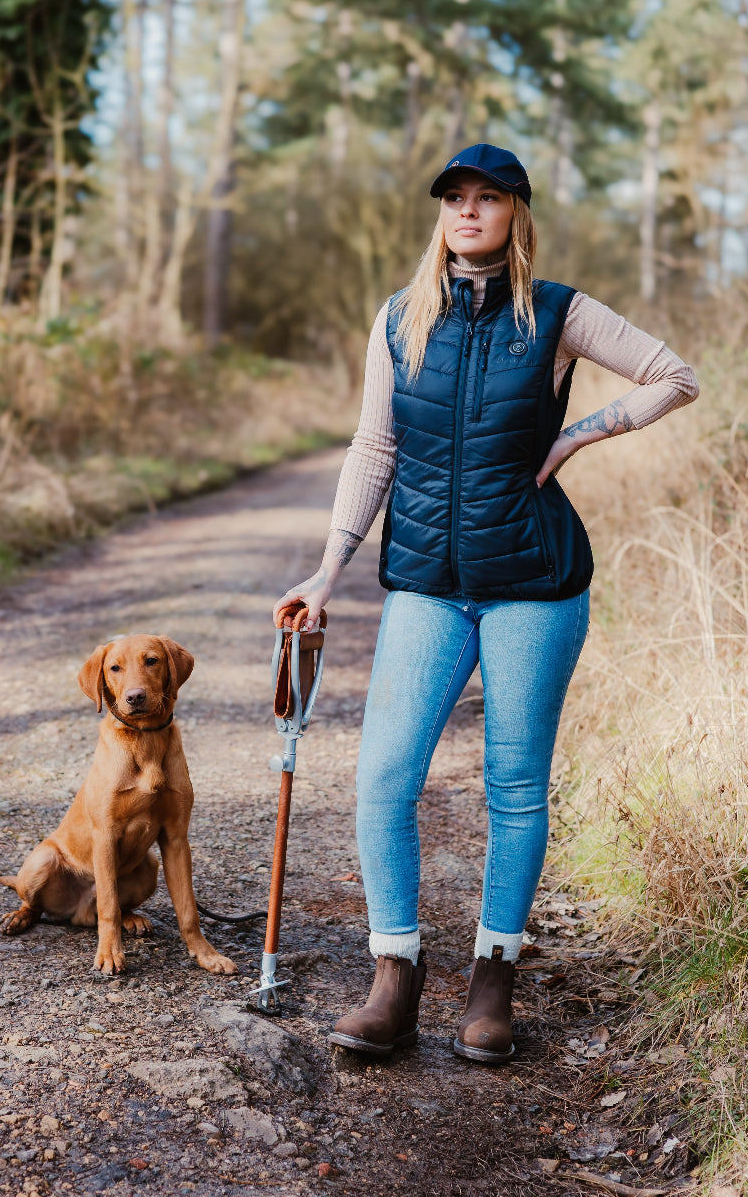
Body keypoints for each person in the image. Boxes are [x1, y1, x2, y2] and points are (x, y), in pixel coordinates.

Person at [273, 143, 698, 1064]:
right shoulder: (400, 320)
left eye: (488, 198)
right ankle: (396, 971)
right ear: (441, 214)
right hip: (428, 585)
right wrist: (325, 570)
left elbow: (675, 374)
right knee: (385, 775)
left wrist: (588, 427)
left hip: (535, 586)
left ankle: (493, 979)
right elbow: (373, 450)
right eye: (454, 198)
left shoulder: (556, 313)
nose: (468, 212)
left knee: (514, 787)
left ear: (517, 212)